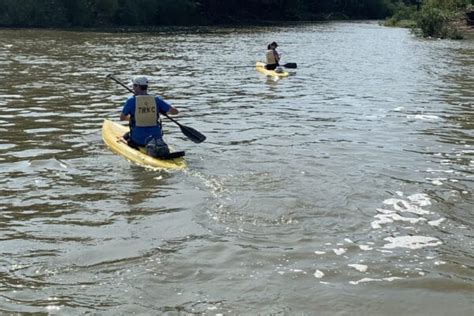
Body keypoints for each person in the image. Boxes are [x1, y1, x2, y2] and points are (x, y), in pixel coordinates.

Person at [120, 76, 178, 157]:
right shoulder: (156, 100)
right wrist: (161, 110)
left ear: (137, 86)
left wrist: (136, 117)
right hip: (156, 137)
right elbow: (175, 112)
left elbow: (122, 118)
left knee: (124, 136)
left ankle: (124, 142)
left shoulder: (131, 101)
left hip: (139, 139)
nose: (133, 88)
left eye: (133, 86)